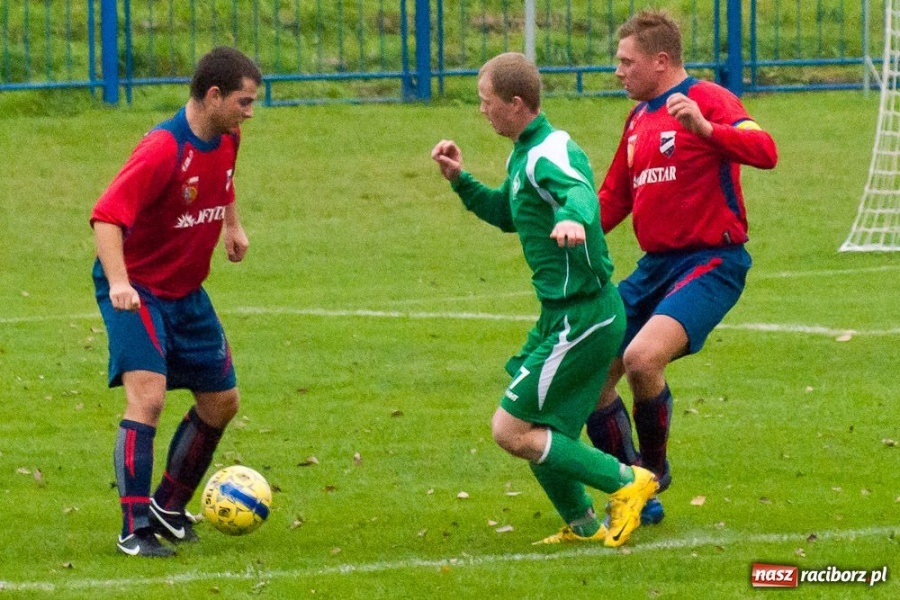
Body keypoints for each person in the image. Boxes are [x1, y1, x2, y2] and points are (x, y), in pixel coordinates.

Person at [431, 52, 659, 547]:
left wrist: (577, 216)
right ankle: (581, 524)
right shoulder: (524, 151)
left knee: (510, 431)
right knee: (534, 425)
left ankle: (629, 481)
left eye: (486, 102)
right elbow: (510, 213)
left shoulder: (547, 152)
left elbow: (577, 190)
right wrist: (461, 181)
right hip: (560, 316)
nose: (481, 111)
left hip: (584, 316)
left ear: (515, 104)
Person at [584, 10, 778, 525]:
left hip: (712, 261)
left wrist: (706, 128)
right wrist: (568, 234)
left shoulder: (709, 99)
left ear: (660, 61)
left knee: (643, 360)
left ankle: (653, 470)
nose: (618, 72)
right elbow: (612, 199)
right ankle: (634, 489)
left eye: (627, 62)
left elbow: (765, 150)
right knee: (591, 376)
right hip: (654, 267)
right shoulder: (638, 120)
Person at [91, 46, 262, 557]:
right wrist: (120, 284)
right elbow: (106, 217)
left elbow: (224, 180)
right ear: (214, 96)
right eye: (244, 101)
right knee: (149, 398)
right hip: (137, 290)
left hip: (186, 292)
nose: (250, 112)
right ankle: (134, 527)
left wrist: (231, 224)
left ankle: (168, 505)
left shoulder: (228, 135)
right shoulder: (162, 148)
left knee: (221, 401)